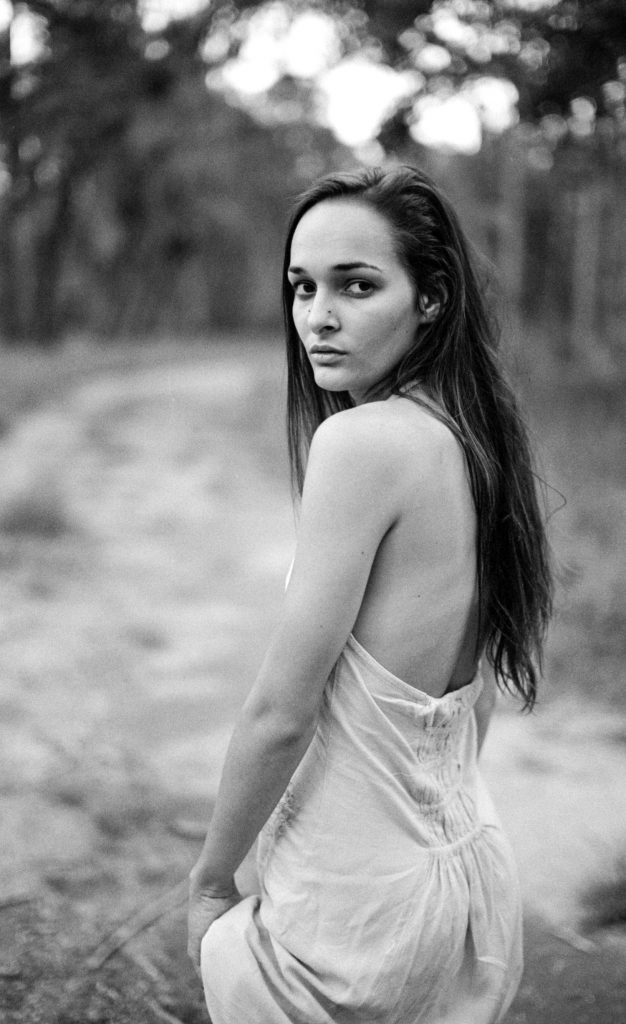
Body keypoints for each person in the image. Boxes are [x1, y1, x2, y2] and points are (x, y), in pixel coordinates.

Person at [187, 165, 552, 1023]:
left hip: (356, 910)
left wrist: (209, 882)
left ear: (431, 298)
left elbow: (282, 712)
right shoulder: (473, 440)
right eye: (302, 286)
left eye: (357, 285)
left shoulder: (361, 443)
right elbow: (477, 698)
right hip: (465, 881)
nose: (319, 316)